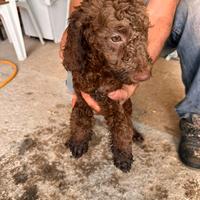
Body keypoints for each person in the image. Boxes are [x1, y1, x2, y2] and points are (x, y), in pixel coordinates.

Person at [59, 0, 200, 169]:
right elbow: (80, 10)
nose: (145, 74)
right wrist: (73, 48)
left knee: (197, 10)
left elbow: (159, 17)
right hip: (99, 29)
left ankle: (195, 113)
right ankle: (80, 136)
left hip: (149, 17)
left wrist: (134, 77)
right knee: (82, 100)